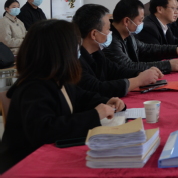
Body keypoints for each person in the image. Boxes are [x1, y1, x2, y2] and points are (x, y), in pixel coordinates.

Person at [0, 19, 125, 173]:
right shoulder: (33, 87)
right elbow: (45, 130)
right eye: (75, 45)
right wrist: (94, 115)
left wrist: (106, 101)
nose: (78, 49)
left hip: (50, 154)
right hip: (27, 165)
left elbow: (81, 97)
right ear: (60, 52)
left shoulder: (58, 78)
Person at [73, 4, 163, 97]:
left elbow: (115, 70)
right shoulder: (75, 62)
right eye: (108, 29)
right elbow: (99, 88)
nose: (110, 33)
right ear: (94, 34)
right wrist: (138, 80)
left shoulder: (96, 53)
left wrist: (139, 73)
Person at [103, 0, 178, 74]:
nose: (142, 23)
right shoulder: (109, 41)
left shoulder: (128, 35)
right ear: (127, 21)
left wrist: (175, 49)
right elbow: (128, 66)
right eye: (140, 20)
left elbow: (146, 48)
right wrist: (168, 65)